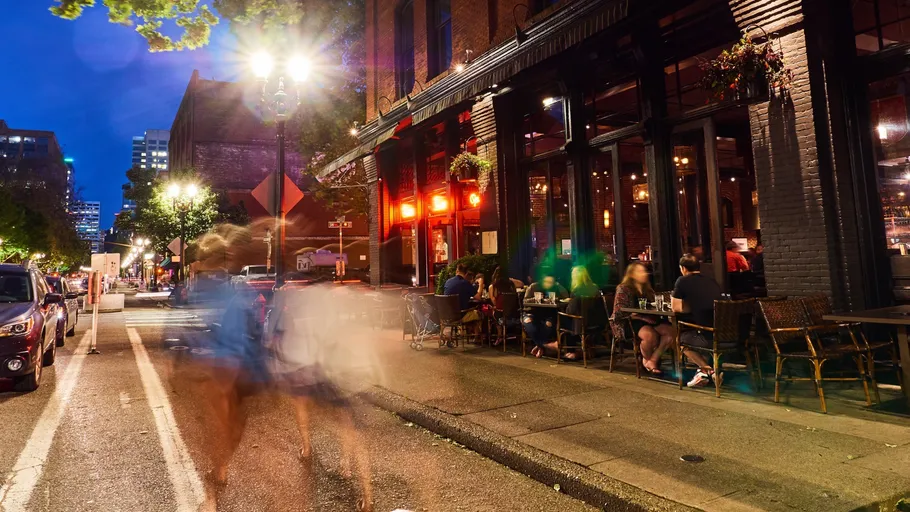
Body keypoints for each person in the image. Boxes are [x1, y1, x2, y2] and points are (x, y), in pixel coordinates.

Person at [610, 262, 674, 374]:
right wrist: (634, 314)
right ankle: (647, 361)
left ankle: (652, 360)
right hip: (628, 321)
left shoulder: (647, 289)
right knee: (649, 335)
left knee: (671, 332)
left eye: (644, 271)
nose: (644, 274)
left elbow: (653, 304)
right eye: (640, 271)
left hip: (649, 319)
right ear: (632, 274)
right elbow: (619, 310)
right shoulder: (623, 288)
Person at [671, 253, 723, 388]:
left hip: (704, 335)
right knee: (693, 334)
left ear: (683, 268)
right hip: (723, 334)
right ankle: (701, 374)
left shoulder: (682, 281)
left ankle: (709, 370)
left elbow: (676, 308)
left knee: (681, 340)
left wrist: (691, 307)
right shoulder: (712, 281)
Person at [563, 266, 609, 361]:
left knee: (565, 320)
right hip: (598, 323)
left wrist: (568, 302)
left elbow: (570, 311)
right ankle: (589, 347)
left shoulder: (576, 291)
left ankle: (570, 351)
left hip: (582, 324)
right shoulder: (595, 287)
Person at [523, 273, 569, 358]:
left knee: (548, 325)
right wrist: (535, 299)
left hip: (548, 314)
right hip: (532, 313)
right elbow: (524, 301)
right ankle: (546, 345)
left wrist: (558, 286)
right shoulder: (533, 287)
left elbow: (566, 296)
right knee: (529, 325)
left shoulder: (555, 287)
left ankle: (540, 346)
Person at [442, 263, 483, 341]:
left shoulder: (448, 282)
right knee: (479, 313)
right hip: (460, 316)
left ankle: (467, 334)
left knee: (470, 313)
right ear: (466, 273)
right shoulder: (465, 283)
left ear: (457, 271)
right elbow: (478, 298)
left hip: (447, 315)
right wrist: (481, 284)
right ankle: (477, 337)